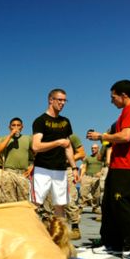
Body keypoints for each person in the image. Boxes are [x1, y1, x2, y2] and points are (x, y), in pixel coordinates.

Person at [87, 80, 130, 259]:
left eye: (113, 97)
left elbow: (126, 136)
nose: (111, 101)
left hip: (126, 166)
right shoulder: (127, 111)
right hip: (118, 165)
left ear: (123, 95)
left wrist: (101, 136)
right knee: (110, 205)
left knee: (122, 206)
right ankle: (113, 244)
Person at [31, 89, 79, 218]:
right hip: (42, 169)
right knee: (35, 203)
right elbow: (35, 146)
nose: (62, 103)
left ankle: (59, 236)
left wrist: (74, 167)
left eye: (64, 100)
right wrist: (57, 142)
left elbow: (68, 146)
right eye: (60, 100)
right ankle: (31, 234)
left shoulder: (65, 122)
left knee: (60, 204)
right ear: (51, 100)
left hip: (60, 169)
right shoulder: (40, 121)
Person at [0, 117, 33, 203]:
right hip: (9, 172)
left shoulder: (28, 138)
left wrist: (32, 167)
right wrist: (10, 136)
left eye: (18, 125)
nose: (16, 127)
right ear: (9, 127)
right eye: (13, 125)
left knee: (24, 201)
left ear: (22, 127)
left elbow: (37, 152)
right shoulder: (4, 138)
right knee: (9, 202)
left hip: (23, 174)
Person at [80, 143, 104, 213]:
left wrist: (101, 173)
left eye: (95, 148)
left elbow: (105, 166)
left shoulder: (101, 157)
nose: (93, 149)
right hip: (87, 176)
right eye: (92, 148)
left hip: (96, 178)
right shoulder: (88, 158)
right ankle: (80, 207)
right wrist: (81, 176)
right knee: (83, 193)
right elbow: (84, 167)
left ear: (98, 148)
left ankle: (95, 208)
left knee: (96, 194)